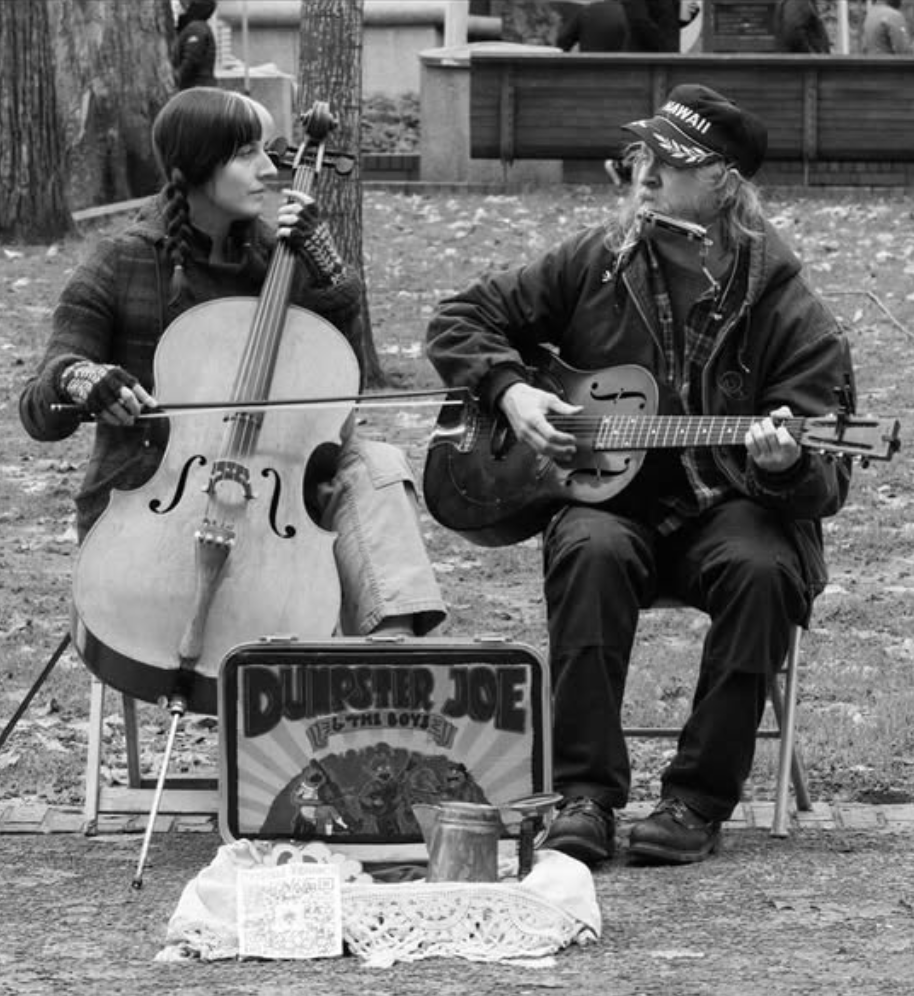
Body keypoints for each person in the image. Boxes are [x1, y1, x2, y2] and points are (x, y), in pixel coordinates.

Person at [426, 84, 854, 866]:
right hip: (608, 503)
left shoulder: (790, 308)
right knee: (588, 549)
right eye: (641, 156)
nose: (645, 174)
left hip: (734, 509)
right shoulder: (596, 263)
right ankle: (584, 796)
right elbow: (459, 319)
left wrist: (788, 464)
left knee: (762, 571)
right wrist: (510, 388)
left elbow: (827, 475)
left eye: (670, 161)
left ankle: (695, 803)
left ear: (724, 184)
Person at [19, 87, 446, 653]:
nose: (269, 170)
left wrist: (323, 260)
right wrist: (83, 379)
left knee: (377, 462)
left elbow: (334, 397)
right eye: (247, 153)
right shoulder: (122, 260)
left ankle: (395, 651)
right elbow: (40, 401)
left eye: (267, 152)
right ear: (196, 165)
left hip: (267, 502)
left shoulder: (277, 258)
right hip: (149, 513)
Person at [172, 0, 218, 90]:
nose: (183, 7)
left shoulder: (196, 28)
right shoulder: (194, 27)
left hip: (196, 88)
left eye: (187, 4)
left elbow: (191, 60)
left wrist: (175, 78)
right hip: (198, 87)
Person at [557, 0, 629, 52]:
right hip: (625, 71)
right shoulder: (632, 15)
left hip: (587, 70)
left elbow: (562, 43)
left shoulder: (587, 10)